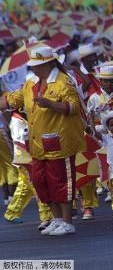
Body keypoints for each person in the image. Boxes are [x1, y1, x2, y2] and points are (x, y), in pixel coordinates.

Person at [0, 46, 86, 235]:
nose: (34, 69)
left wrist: (50, 104)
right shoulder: (31, 84)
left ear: (48, 64)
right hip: (38, 144)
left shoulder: (63, 82)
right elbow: (12, 100)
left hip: (60, 141)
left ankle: (67, 222)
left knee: (61, 182)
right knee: (41, 182)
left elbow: (73, 107)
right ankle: (56, 219)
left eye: (37, 66)